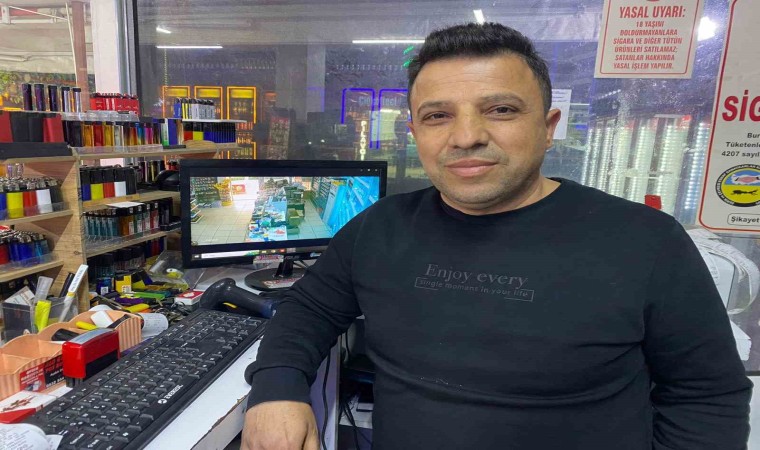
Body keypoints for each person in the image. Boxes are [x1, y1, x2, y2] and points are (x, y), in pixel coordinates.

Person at [241, 23, 752, 450]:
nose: (466, 137)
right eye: (438, 116)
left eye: (500, 110)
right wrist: (276, 389)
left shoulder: (645, 241)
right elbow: (308, 311)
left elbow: (706, 398)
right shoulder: (380, 228)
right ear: (415, 134)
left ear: (548, 126)